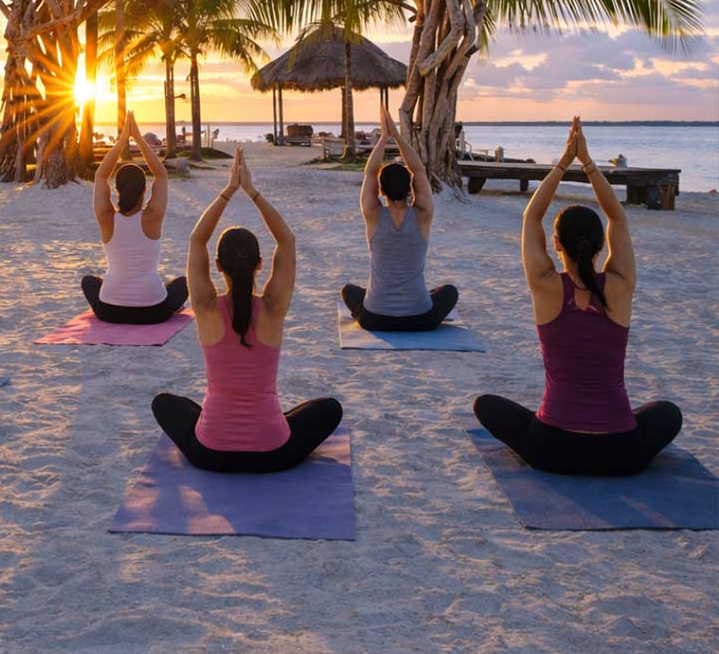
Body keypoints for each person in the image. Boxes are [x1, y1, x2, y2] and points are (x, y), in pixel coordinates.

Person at [473, 118, 683, 476]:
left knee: (484, 405)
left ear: (555, 245)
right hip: (621, 452)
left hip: (552, 449)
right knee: (668, 414)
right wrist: (587, 163)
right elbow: (618, 217)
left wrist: (563, 163)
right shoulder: (620, 284)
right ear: (602, 245)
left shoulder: (545, 284)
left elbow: (531, 218)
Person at [151, 148, 343, 472]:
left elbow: (197, 241)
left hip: (210, 453)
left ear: (217, 265)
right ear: (259, 264)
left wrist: (228, 191)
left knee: (165, 404)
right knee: (328, 409)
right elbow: (287, 242)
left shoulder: (206, 308)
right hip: (273, 452)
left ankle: (223, 424)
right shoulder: (273, 309)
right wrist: (251, 192)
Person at [341, 102, 458, 331]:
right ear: (409, 189)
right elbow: (419, 170)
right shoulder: (423, 215)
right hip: (420, 319)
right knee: (449, 292)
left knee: (348, 291)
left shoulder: (373, 215)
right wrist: (397, 135)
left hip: (375, 318)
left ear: (381, 190)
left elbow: (370, 172)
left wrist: (384, 138)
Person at [80, 108, 188, 324]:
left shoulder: (106, 217)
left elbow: (101, 175)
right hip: (153, 311)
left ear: (117, 190)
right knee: (184, 283)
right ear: (145, 191)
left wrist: (122, 141)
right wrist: (138, 139)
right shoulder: (153, 216)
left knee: (89, 281)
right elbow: (161, 174)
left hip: (110, 310)